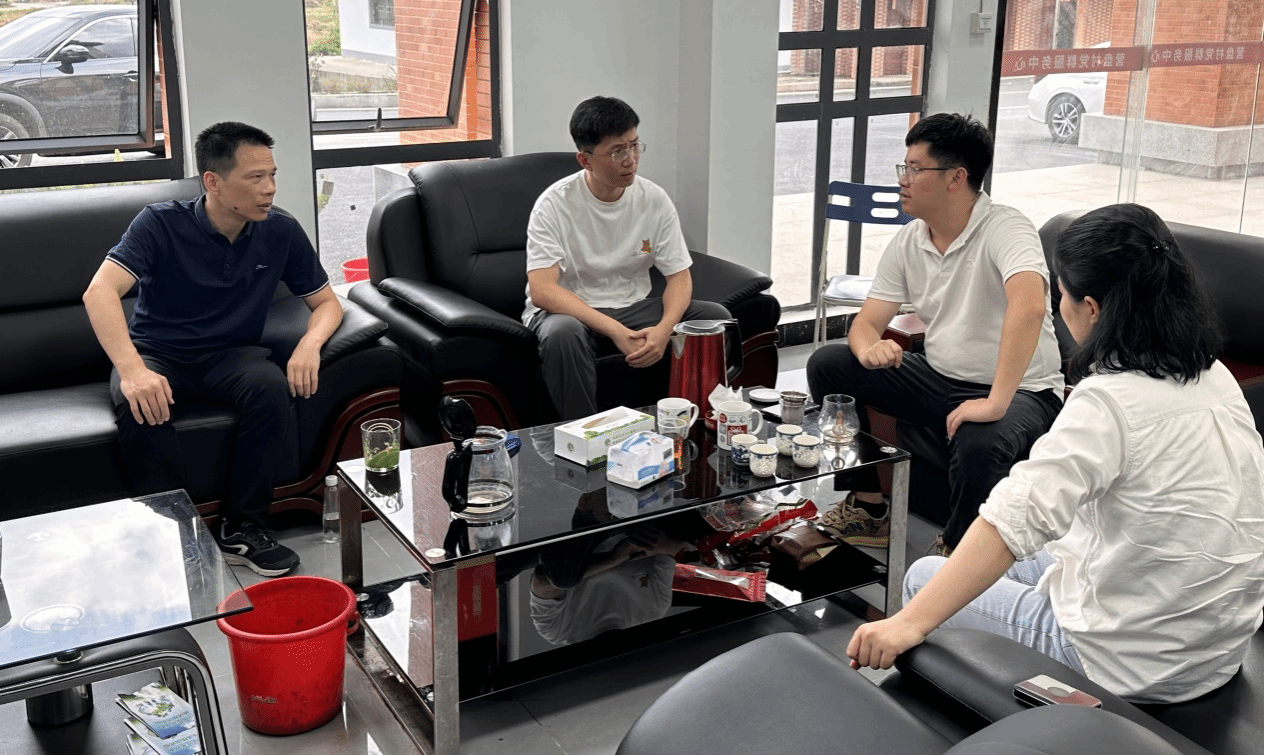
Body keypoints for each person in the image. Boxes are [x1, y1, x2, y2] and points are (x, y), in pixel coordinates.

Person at [848, 203, 1264, 703]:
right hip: (1216, 651)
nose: (1057, 308)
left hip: (1127, 663)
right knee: (1040, 550)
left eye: (1060, 295)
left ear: (1091, 308)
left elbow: (1011, 521)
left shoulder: (1109, 401)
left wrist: (905, 625)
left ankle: (952, 720)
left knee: (923, 577)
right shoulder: (1214, 375)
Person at [83, 121, 343, 577]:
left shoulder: (280, 230)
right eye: (255, 177)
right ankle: (173, 538)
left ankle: (244, 527)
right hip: (158, 351)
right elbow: (99, 292)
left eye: (272, 175)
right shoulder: (159, 223)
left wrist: (309, 344)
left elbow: (327, 303)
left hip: (231, 354)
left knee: (270, 388)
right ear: (213, 181)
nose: (269, 188)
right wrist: (133, 370)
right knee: (140, 403)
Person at [806, 113, 1064, 555]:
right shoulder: (911, 240)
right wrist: (869, 350)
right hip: (942, 378)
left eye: (915, 168)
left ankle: (959, 550)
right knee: (829, 364)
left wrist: (995, 402)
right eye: (903, 167)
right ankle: (868, 506)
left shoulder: (1006, 227)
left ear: (956, 177)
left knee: (980, 437)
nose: (902, 179)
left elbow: (1030, 306)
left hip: (1022, 390)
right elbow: (866, 323)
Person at [524, 95, 730, 420]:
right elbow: (543, 291)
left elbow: (679, 277)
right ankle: (584, 433)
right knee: (562, 334)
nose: (630, 160)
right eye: (617, 151)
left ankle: (698, 422)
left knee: (713, 318)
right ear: (585, 160)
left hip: (632, 306)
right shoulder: (554, 205)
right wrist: (615, 331)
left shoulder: (653, 198)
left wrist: (664, 329)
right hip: (572, 311)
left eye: (635, 146)